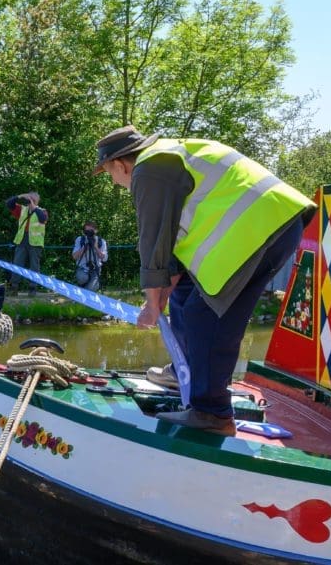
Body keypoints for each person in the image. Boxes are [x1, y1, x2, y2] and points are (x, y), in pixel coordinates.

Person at [94, 125, 315, 435]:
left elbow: (153, 241)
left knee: (206, 315)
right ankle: (186, 373)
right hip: (267, 226)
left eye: (109, 174)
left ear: (119, 164)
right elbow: (171, 248)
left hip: (260, 230)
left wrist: (152, 303)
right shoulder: (168, 155)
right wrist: (166, 292)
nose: (115, 182)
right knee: (185, 295)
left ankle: (213, 413)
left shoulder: (148, 169)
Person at [6, 191, 48, 296]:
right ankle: (14, 287)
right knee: (17, 264)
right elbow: (9, 204)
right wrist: (20, 196)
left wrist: (34, 207)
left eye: (34, 200)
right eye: (30, 199)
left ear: (38, 200)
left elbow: (43, 219)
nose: (31, 201)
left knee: (34, 266)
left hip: (35, 242)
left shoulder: (42, 211)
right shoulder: (22, 210)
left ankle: (33, 288)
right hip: (21, 240)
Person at [72, 221, 108, 291]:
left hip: (95, 269)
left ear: (96, 230)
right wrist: (84, 247)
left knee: (92, 288)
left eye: (91, 231)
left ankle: (80, 292)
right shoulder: (80, 240)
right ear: (84, 231)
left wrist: (96, 247)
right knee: (82, 278)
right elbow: (74, 256)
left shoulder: (101, 241)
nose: (89, 233)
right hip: (82, 268)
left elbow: (105, 259)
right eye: (87, 231)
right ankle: (82, 286)